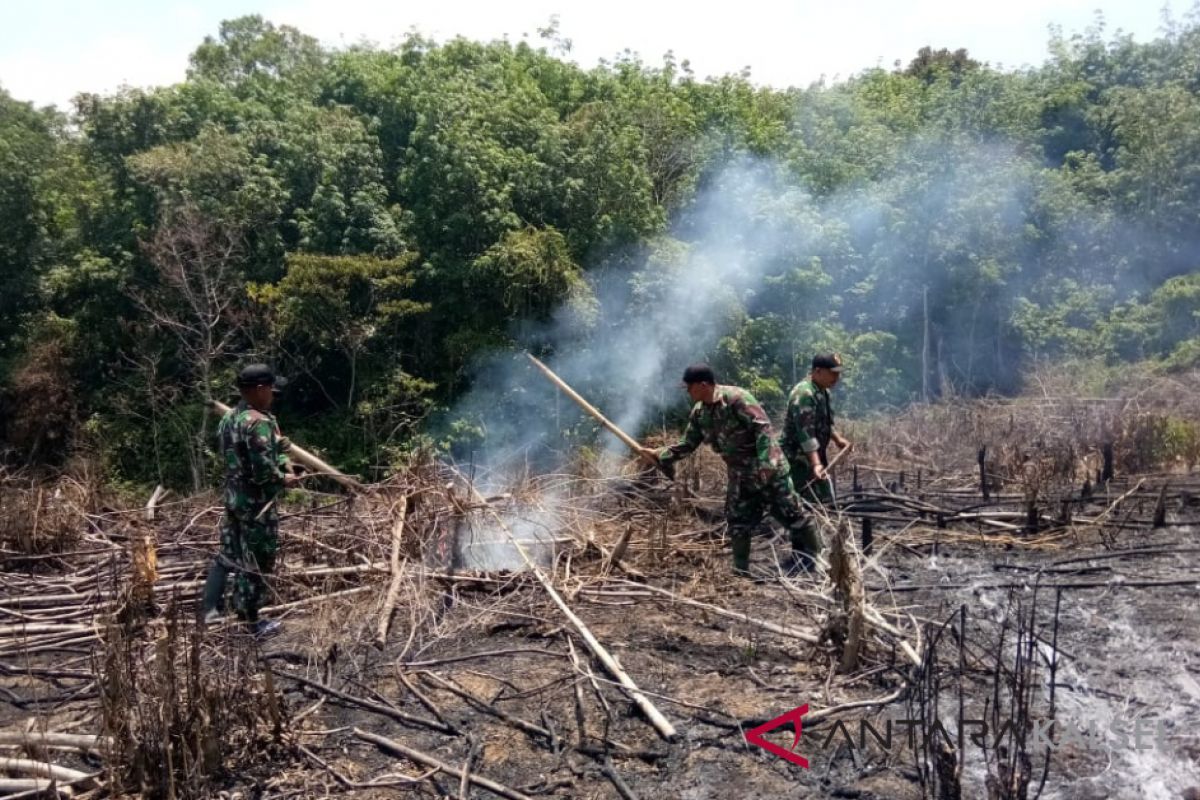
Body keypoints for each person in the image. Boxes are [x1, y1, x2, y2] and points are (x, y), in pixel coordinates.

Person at [637, 363, 822, 576]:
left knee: (794, 514)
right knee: (737, 520)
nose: (688, 392)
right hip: (740, 474)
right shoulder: (700, 413)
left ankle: (819, 563)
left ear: (703, 385)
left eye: (690, 387)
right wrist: (659, 454)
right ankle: (740, 573)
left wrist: (766, 463)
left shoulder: (736, 398)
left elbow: (762, 428)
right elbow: (687, 444)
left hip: (768, 470)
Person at [201, 364, 299, 636]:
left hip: (234, 500)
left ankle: (212, 611)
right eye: (270, 389)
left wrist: (281, 454)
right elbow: (263, 473)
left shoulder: (230, 418)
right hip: (257, 506)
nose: (273, 394)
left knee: (229, 553)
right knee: (256, 560)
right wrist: (285, 478)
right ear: (259, 389)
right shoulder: (258, 422)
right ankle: (249, 622)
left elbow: (241, 454)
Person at [782, 353, 853, 504]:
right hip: (797, 459)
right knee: (801, 503)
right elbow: (806, 435)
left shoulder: (823, 392)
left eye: (838, 373)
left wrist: (838, 439)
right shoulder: (804, 393)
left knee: (825, 499)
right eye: (833, 373)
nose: (837, 377)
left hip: (814, 456)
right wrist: (816, 464)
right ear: (818, 371)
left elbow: (826, 423)